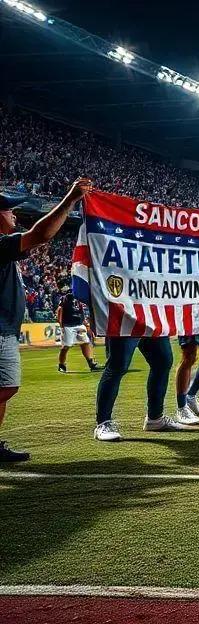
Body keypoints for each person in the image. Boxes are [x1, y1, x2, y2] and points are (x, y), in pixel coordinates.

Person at [0, 179, 93, 460]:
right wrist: (70, 200)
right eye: (8, 211)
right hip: (0, 331)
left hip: (6, 330)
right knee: (6, 386)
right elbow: (40, 234)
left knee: (4, 387)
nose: (14, 215)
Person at [55, 287, 101, 374]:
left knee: (85, 343)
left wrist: (85, 323)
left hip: (79, 324)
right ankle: (61, 365)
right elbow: (60, 310)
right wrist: (61, 324)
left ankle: (91, 363)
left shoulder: (79, 299)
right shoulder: (66, 298)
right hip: (68, 325)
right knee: (66, 346)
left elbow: (81, 311)